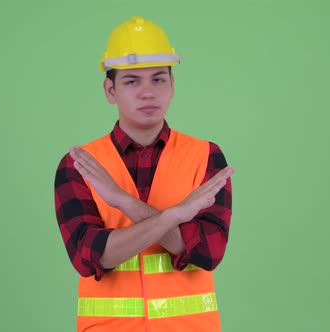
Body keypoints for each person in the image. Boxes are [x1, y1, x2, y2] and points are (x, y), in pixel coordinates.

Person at [54, 16, 234, 332]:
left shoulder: (205, 156)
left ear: (173, 86)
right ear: (110, 90)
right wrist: (173, 218)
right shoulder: (80, 164)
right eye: (132, 81)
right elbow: (90, 257)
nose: (147, 92)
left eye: (158, 79)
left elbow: (208, 252)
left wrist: (123, 202)